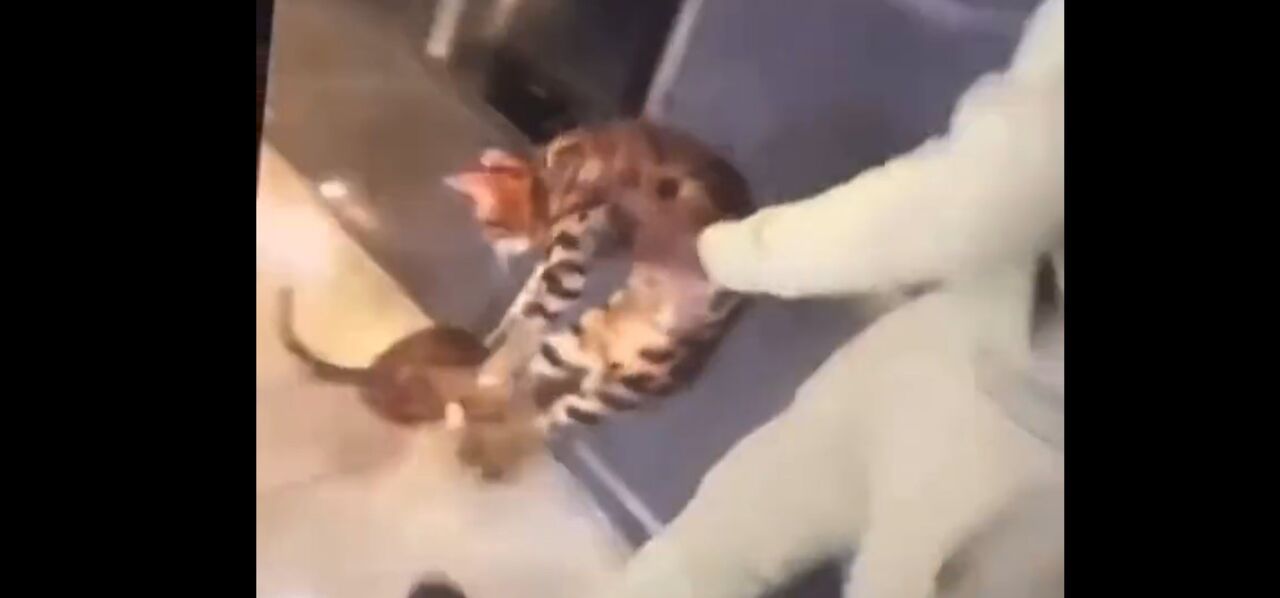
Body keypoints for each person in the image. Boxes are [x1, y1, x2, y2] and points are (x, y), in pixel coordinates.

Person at [597, 0, 1064, 596]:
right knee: (719, 539)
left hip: (1022, 449)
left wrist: (718, 255)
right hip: (958, 337)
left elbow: (984, 196)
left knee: (715, 545)